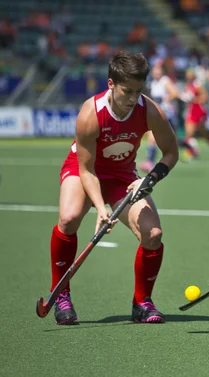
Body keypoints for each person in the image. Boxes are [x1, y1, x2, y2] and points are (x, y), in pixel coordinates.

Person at [49, 51, 179, 325]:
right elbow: (86, 169)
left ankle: (142, 303)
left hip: (123, 176)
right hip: (85, 170)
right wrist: (100, 207)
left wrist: (150, 178)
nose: (133, 99)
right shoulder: (90, 114)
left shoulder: (150, 111)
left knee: (153, 234)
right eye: (127, 91)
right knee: (69, 218)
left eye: (138, 91)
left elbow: (171, 153)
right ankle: (61, 293)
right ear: (110, 84)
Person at [140, 61, 180, 172]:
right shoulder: (152, 83)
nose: (156, 72)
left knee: (173, 139)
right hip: (157, 113)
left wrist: (164, 99)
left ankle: (190, 148)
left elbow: (175, 93)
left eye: (158, 70)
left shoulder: (165, 81)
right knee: (152, 136)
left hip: (167, 113)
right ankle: (150, 162)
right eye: (154, 70)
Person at [181, 68, 209, 159]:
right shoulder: (188, 85)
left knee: (204, 133)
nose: (189, 76)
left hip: (199, 111)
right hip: (191, 111)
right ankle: (191, 152)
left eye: (190, 74)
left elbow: (205, 97)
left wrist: (194, 100)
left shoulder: (197, 85)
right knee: (189, 133)